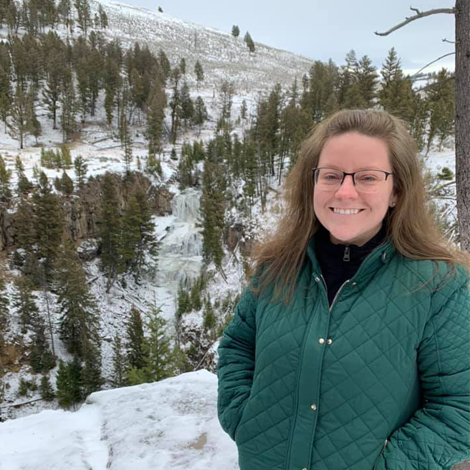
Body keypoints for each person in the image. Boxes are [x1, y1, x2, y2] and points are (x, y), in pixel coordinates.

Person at [217, 109, 470, 470]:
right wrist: (243, 418)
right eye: (331, 175)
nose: (345, 191)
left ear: (397, 190)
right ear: (312, 183)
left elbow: (460, 409)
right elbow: (239, 345)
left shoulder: (438, 285)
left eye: (367, 177)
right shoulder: (279, 267)